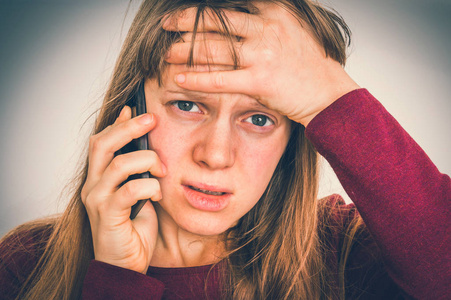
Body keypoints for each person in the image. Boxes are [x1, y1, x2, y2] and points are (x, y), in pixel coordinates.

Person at [0, 0, 449, 299]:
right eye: (187, 104)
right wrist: (117, 280)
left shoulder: (347, 254)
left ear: (294, 136)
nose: (216, 155)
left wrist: (330, 92)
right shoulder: (23, 266)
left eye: (259, 118)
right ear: (131, 108)